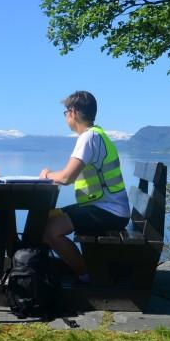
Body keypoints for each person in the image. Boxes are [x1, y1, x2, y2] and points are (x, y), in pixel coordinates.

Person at [39, 91, 130, 283]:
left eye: (65, 113)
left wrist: (46, 175)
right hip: (106, 206)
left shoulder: (88, 138)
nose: (65, 117)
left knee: (49, 231)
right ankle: (53, 269)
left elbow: (66, 177)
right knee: (45, 218)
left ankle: (87, 278)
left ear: (72, 112)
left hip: (109, 211)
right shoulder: (97, 135)